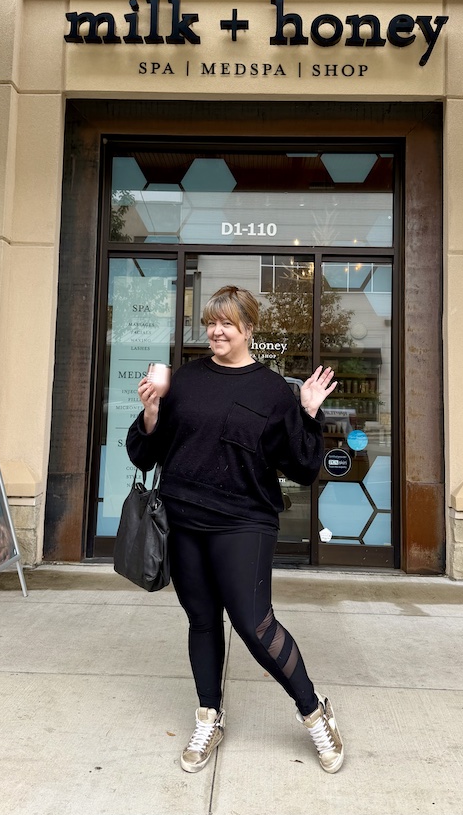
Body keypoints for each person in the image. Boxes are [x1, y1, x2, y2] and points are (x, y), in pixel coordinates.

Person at [126, 285, 344, 774]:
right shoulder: (185, 380)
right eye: (211, 322)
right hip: (184, 519)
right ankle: (209, 717)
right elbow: (144, 454)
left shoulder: (272, 391)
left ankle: (315, 713)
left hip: (244, 521)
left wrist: (308, 412)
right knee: (202, 619)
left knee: (254, 624)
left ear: (248, 328)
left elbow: (303, 467)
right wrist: (152, 413)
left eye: (226, 323)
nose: (216, 331)